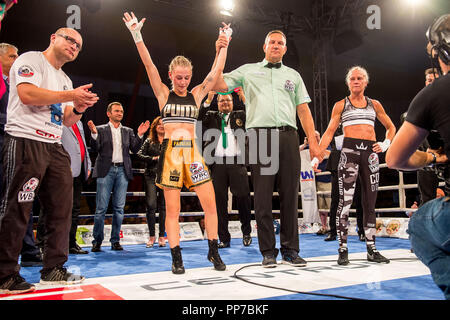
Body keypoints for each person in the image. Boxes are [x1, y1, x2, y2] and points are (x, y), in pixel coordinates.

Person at [123, 11, 229, 274]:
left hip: (192, 154)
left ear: (191, 76)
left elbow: (215, 73)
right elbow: (148, 64)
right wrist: (137, 35)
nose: (183, 82)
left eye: (186, 77)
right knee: (172, 209)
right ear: (170, 75)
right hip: (171, 153)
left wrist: (224, 44)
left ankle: (213, 251)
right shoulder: (162, 93)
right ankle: (176, 257)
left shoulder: (196, 94)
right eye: (178, 77)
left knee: (211, 203)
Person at [0, 27, 99, 294]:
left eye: (78, 45)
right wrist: (71, 96)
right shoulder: (30, 60)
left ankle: (54, 268)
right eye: (70, 40)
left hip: (54, 145)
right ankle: (5, 274)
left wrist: (80, 106)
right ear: (53, 38)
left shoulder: (65, 79)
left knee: (61, 208)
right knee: (17, 208)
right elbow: (27, 95)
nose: (74, 46)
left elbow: (67, 120)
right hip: (25, 139)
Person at [213, 30, 322, 268]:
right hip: (260, 136)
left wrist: (313, 144)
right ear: (264, 47)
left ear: (284, 48)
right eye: (272, 42)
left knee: (290, 195)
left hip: (288, 135)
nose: (275, 45)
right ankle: (268, 251)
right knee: (262, 197)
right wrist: (221, 50)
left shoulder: (293, 75)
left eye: (280, 43)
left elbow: (303, 110)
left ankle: (291, 250)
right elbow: (218, 83)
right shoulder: (247, 70)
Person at [386, 14, 450, 299]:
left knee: (420, 224)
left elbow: (395, 159)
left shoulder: (433, 95)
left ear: (439, 52)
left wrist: (433, 159)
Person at [318, 65, 396, 266]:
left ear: (366, 82)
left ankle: (372, 248)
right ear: (347, 82)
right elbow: (328, 132)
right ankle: (343, 248)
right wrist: (317, 154)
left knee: (370, 202)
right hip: (349, 153)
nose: (356, 81)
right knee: (345, 201)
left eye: (360, 78)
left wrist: (386, 144)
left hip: (370, 154)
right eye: (352, 78)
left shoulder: (374, 104)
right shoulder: (340, 105)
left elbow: (391, 127)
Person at [87, 102, 148, 252]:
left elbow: (134, 148)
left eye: (121, 111)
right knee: (100, 209)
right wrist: (94, 134)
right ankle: (97, 241)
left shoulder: (128, 131)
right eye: (116, 111)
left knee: (119, 209)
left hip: (122, 170)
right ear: (109, 113)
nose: (119, 113)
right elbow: (95, 148)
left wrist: (140, 134)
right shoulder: (100, 129)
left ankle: (115, 241)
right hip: (105, 170)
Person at [199, 91, 252, 248]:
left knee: (243, 198)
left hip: (237, 162)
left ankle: (247, 233)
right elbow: (198, 116)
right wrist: (208, 98)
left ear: (232, 102)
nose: (225, 103)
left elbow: (253, 110)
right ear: (217, 103)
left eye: (227, 101)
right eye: (221, 101)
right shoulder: (211, 116)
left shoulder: (240, 115)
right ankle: (224, 238)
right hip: (217, 164)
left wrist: (243, 94)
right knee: (219, 202)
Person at [62, 120, 92, 254]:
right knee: (54, 207)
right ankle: (43, 245)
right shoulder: (59, 117)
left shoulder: (79, 122)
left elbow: (82, 143)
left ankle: (70, 243)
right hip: (62, 168)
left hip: (78, 169)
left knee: (75, 209)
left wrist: (88, 163)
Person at [137, 116, 167, 248]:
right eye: (158, 124)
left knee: (163, 207)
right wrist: (154, 158)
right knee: (151, 205)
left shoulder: (169, 141)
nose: (161, 126)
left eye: (163, 124)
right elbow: (139, 154)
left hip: (166, 176)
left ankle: (161, 236)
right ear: (154, 127)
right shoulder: (149, 141)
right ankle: (151, 236)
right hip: (150, 175)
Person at [299, 131, 331, 235]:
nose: (315, 138)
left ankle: (334, 227)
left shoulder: (324, 144)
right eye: (312, 136)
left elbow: (329, 154)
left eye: (316, 136)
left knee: (330, 204)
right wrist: (305, 144)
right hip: (314, 182)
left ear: (320, 136)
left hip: (327, 179)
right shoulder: (309, 148)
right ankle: (324, 226)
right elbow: (296, 152)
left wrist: (317, 150)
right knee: (321, 207)